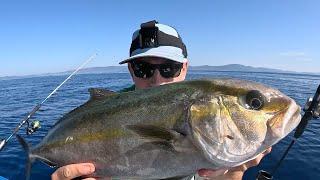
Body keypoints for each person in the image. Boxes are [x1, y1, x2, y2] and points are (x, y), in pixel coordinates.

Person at [51, 20, 272, 180]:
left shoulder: (209, 117)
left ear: (185, 68)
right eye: (143, 68)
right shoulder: (98, 115)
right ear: (131, 69)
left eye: (169, 68)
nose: (157, 80)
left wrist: (236, 169)